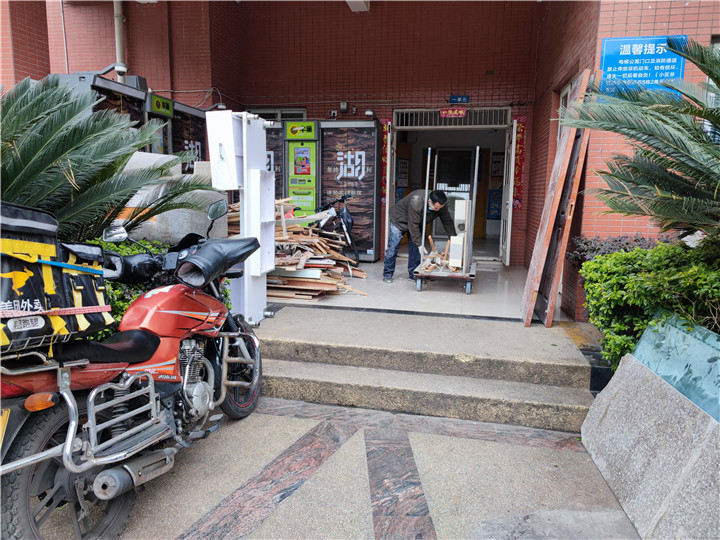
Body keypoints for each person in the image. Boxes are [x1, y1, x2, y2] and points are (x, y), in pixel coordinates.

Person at [383, 189, 457, 283]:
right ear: (429, 202)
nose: (438, 210)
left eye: (440, 208)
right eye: (436, 208)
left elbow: (447, 222)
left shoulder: (441, 204)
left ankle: (413, 274)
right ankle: (387, 273)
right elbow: (413, 225)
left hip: (416, 222)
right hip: (399, 220)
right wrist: (419, 244)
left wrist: (454, 240)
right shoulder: (417, 201)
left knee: (415, 250)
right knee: (393, 247)